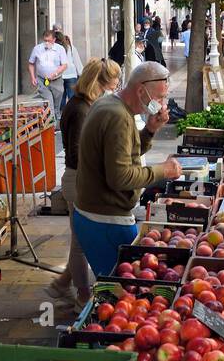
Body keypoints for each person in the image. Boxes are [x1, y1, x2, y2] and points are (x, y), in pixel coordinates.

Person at [73, 61, 183, 275]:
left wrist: (150, 130)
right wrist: (163, 170)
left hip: (96, 214)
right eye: (159, 97)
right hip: (104, 219)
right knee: (118, 287)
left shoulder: (111, 104)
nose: (161, 104)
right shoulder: (117, 116)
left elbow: (122, 155)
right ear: (141, 90)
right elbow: (120, 177)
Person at [48, 57, 123, 306]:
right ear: (99, 83)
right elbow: (78, 154)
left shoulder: (86, 104)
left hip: (80, 179)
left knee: (81, 238)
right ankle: (82, 293)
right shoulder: (81, 109)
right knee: (80, 243)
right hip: (78, 180)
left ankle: (61, 284)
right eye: (113, 84)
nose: (115, 88)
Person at [28, 28, 69, 120]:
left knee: (56, 102)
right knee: (49, 101)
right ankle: (52, 122)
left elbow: (65, 65)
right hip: (42, 80)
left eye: (49, 41)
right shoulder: (37, 49)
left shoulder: (60, 49)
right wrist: (32, 77)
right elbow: (31, 63)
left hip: (56, 80)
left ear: (54, 40)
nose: (47, 43)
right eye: (45, 40)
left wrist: (55, 73)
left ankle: (56, 116)